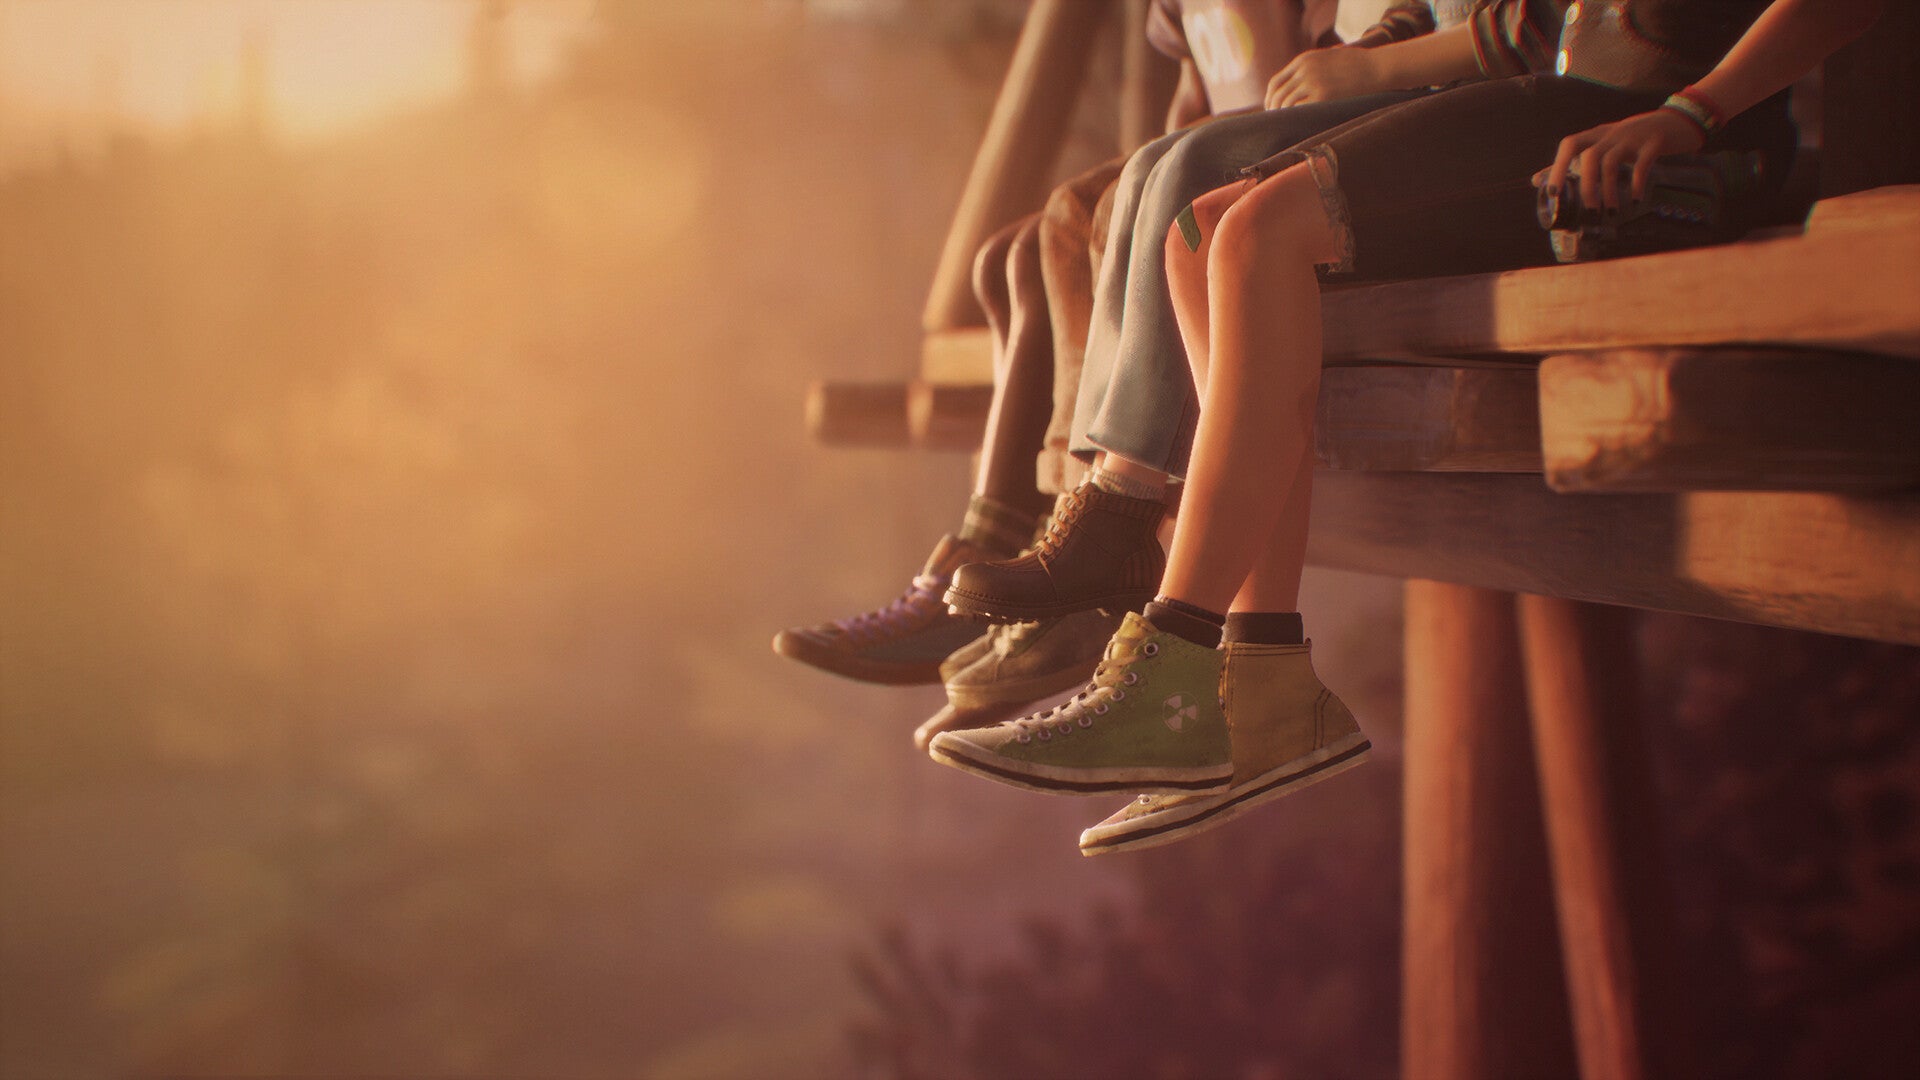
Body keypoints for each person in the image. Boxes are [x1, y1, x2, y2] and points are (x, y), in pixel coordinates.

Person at [931, 0, 1882, 855]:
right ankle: (1262, 688)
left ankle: (1174, 668)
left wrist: (1696, 111)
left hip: (1659, 136)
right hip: (1562, 99)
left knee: (1257, 235)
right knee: (1201, 232)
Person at [774, 2, 1344, 701]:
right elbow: (1191, 100)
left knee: (1101, 212)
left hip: (1284, 158)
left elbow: (1315, 74)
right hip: (1222, 153)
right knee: (1011, 255)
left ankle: (1083, 538)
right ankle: (1024, 535)